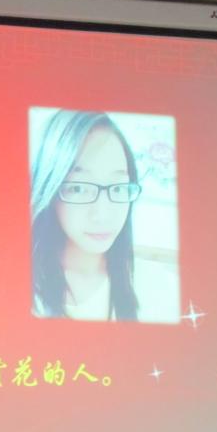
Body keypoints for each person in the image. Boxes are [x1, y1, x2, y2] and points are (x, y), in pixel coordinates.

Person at [31, 110, 143, 321]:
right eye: (78, 188)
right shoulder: (13, 285)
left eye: (118, 187)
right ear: (49, 188)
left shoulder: (156, 286)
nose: (103, 215)